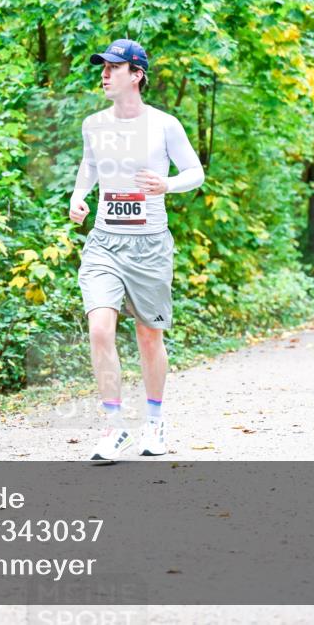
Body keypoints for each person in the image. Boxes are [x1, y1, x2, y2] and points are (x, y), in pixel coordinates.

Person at [68, 39, 204, 462]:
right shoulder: (94, 125)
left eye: (114, 67)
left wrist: (168, 184)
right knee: (99, 329)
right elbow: (90, 165)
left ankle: (154, 422)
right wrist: (78, 196)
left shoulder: (164, 125)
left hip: (149, 245)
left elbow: (195, 172)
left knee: (148, 335)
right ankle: (114, 427)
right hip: (105, 242)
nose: (105, 74)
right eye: (103, 67)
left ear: (137, 75)